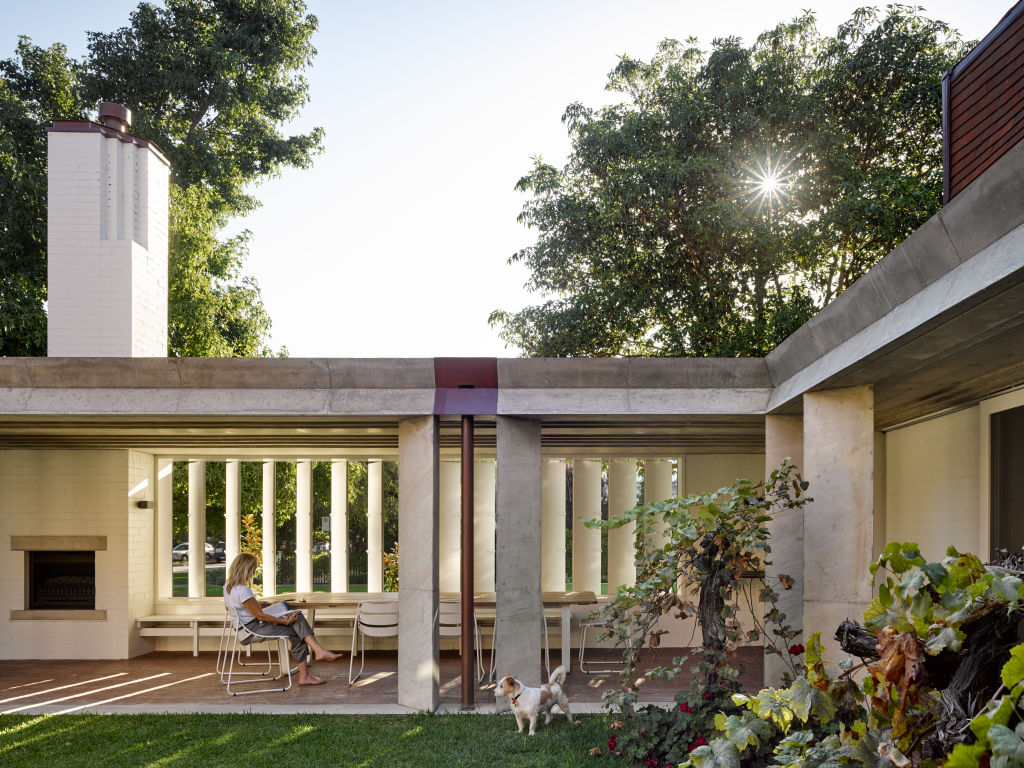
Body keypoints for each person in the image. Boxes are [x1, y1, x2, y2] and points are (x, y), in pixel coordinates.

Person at [224, 552, 341, 685]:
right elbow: (260, 615)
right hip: (252, 629)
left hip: (244, 628)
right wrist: (285, 622)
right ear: (246, 569)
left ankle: (317, 653)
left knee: (295, 616)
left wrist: (257, 604)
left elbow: (231, 607)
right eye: (253, 569)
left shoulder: (229, 585)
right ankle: (309, 668)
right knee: (296, 629)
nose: (254, 572)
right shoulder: (243, 590)